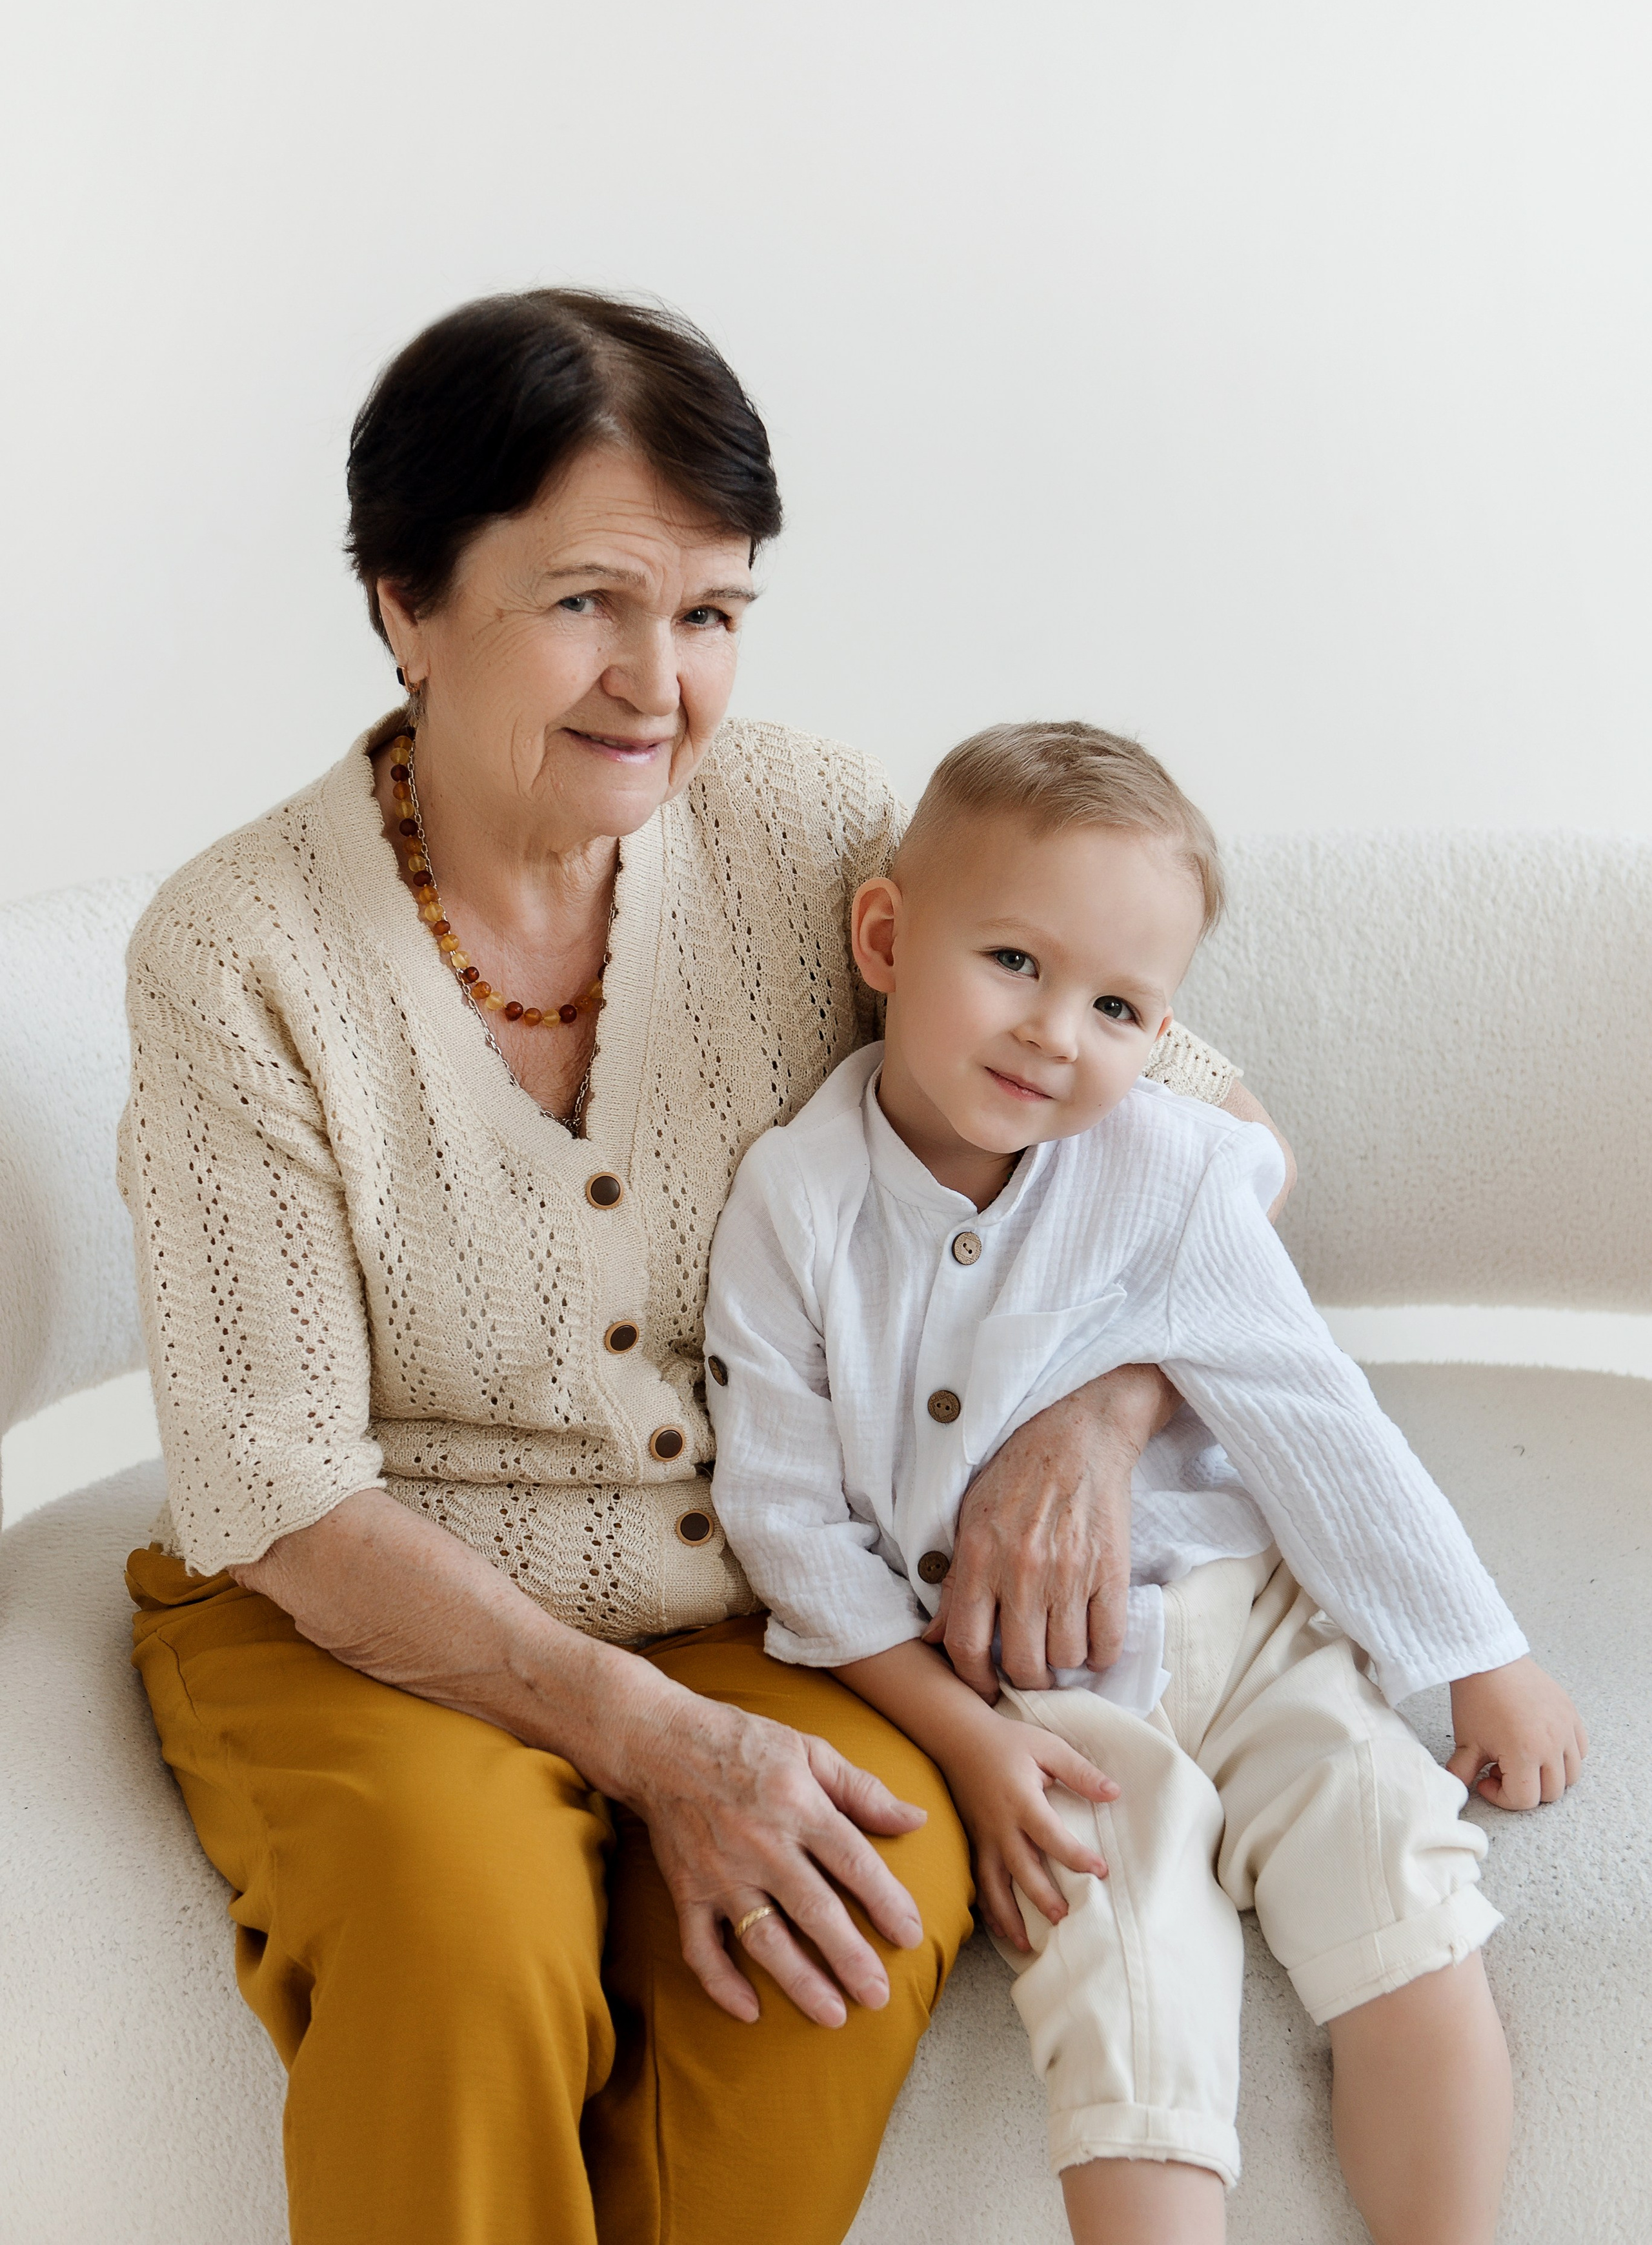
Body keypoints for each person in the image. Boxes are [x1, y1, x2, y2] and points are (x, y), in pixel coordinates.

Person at [117, 291, 1287, 2245]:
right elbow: (279, 1488)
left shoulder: (811, 831)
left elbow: (1211, 1129)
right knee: (462, 1933)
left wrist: (1093, 1416)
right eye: (588, 601)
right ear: (407, 603)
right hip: (362, 1616)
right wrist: (650, 1741)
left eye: (714, 613)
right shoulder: (240, 951)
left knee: (851, 1907)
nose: (658, 684)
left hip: (781, 1595)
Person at [706, 720, 1588, 2245]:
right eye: (1013, 962)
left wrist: (1476, 1656)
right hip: (1036, 1700)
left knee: (1401, 1897)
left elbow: (1313, 1420)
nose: (1055, 1033)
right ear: (885, 938)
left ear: (1161, 1028)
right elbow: (786, 1521)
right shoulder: (795, 1206)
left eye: (1116, 1006)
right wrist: (965, 1740)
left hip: (1248, 1633)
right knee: (1127, 2004)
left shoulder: (1169, 1172)